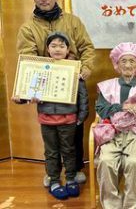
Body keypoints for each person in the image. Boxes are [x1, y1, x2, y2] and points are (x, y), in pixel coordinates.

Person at [17, 0, 95, 186]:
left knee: (74, 132)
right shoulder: (27, 28)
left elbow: (87, 47)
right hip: (47, 88)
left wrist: (85, 68)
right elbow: (28, 58)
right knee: (50, 138)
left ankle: (76, 168)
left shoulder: (73, 21)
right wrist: (30, 87)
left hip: (72, 83)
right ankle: (53, 174)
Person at [12, 31, 89, 200]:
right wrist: (20, 98)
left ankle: (70, 179)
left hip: (68, 118)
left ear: (68, 49)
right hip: (46, 118)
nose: (58, 49)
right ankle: (54, 181)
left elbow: (82, 94)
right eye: (53, 46)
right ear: (47, 49)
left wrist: (82, 115)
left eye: (62, 46)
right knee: (51, 152)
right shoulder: (40, 69)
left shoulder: (74, 69)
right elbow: (27, 93)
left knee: (69, 150)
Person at [95, 42, 136, 209]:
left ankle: (132, 206)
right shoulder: (107, 86)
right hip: (112, 133)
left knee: (135, 162)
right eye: (123, 61)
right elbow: (101, 109)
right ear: (117, 64)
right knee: (106, 161)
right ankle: (111, 206)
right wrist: (125, 107)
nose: (128, 65)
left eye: (132, 61)